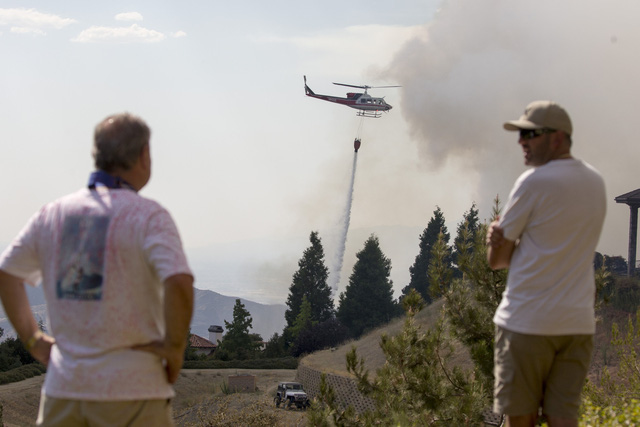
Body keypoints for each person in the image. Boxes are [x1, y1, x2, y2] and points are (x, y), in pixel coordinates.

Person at [0, 113, 194, 426]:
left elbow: (7, 274)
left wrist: (34, 341)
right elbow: (180, 282)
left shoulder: (53, 214)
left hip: (64, 391)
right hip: (134, 391)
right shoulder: (149, 216)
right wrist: (173, 348)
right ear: (144, 154)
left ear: (96, 155)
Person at [486, 101, 606, 427]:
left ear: (557, 138)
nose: (521, 142)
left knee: (519, 420)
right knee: (563, 418)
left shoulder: (532, 182)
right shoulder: (596, 182)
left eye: (530, 134)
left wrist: (496, 239)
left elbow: (497, 261)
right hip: (577, 324)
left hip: (527, 323)